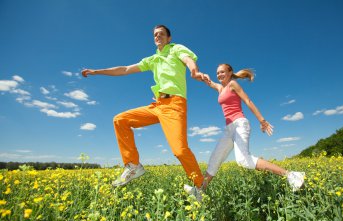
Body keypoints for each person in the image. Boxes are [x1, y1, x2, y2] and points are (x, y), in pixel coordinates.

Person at [82, 25, 208, 193]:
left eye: (161, 34)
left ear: (168, 38)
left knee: (179, 150)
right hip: (157, 105)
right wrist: (97, 71)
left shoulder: (176, 49)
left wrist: (194, 71)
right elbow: (125, 69)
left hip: (174, 105)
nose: (158, 36)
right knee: (120, 120)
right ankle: (133, 165)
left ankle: (199, 186)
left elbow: (188, 59)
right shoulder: (152, 59)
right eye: (155, 35)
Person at [184, 63, 305, 198]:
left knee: (243, 160)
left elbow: (247, 101)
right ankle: (199, 191)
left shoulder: (233, 84)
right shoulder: (220, 88)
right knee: (215, 159)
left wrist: (262, 120)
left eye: (222, 72)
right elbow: (208, 82)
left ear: (230, 73)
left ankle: (292, 175)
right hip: (229, 129)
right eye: (217, 73)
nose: (219, 75)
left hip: (240, 124)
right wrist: (201, 75)